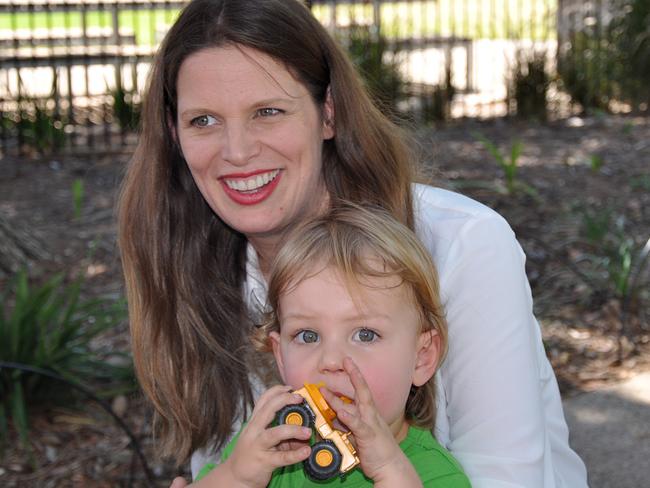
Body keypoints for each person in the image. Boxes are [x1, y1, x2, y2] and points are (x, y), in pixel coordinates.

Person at [117, 0, 588, 486]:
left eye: (268, 111)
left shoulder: (461, 244)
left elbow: (507, 475)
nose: (236, 151)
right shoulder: (202, 270)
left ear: (328, 114)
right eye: (204, 121)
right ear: (174, 134)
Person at [191, 202, 471, 487]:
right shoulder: (267, 446)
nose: (331, 360)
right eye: (308, 336)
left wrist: (390, 471)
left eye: (365, 334)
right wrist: (237, 476)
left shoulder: (436, 475)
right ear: (281, 357)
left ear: (421, 358)